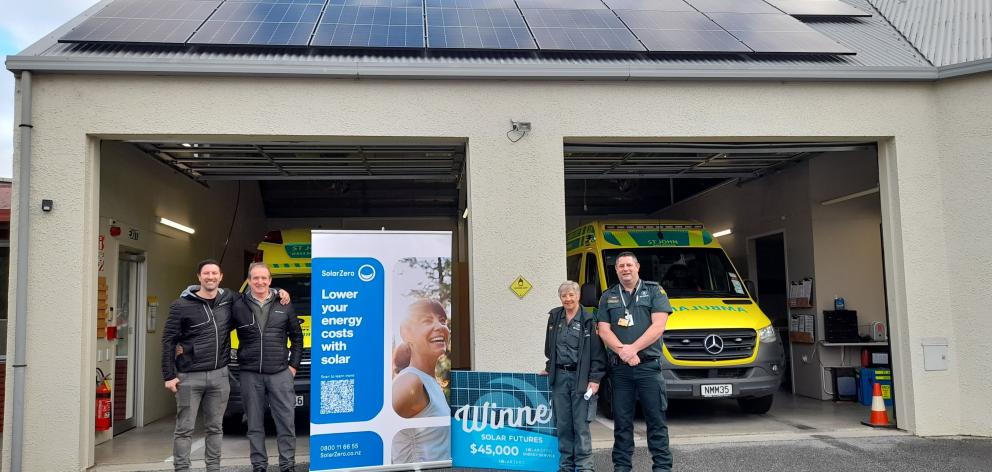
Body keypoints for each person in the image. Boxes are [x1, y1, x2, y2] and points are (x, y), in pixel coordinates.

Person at [161, 259, 288, 472]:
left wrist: (278, 292)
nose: (210, 277)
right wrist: (169, 375)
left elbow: (256, 292)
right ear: (199, 277)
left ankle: (214, 468)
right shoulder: (180, 306)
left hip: (220, 375)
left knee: (215, 428)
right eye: (206, 274)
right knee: (185, 429)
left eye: (214, 274)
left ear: (220, 277)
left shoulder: (229, 298)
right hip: (189, 376)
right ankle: (181, 468)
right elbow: (168, 341)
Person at [596, 252, 674, 472]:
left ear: (637, 267)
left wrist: (633, 349)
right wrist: (623, 352)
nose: (625, 269)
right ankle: (621, 468)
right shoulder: (608, 296)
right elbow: (603, 329)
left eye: (629, 264)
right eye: (621, 266)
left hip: (648, 367)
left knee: (656, 422)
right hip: (620, 371)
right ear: (616, 270)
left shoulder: (654, 291)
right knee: (621, 424)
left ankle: (662, 468)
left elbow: (658, 326)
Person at [231, 262, 304, 472]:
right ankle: (259, 465)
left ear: (270, 281)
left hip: (280, 372)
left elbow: (296, 337)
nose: (260, 282)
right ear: (249, 281)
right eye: (255, 278)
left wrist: (293, 367)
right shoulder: (238, 305)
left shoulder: (284, 303)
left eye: (264, 278)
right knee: (254, 425)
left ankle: (287, 465)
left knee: (286, 423)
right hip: (250, 374)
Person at [540, 281, 606, 472]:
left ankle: (585, 467)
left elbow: (598, 353)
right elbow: (549, 348)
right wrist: (548, 367)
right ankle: (566, 465)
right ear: (560, 298)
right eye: (564, 296)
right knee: (563, 424)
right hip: (560, 377)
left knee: (581, 424)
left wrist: (595, 379)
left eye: (571, 295)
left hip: (581, 377)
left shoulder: (588, 318)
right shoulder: (555, 317)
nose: (568, 299)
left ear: (578, 296)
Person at [391, 299, 451, 463]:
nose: (440, 326)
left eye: (442, 320)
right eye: (427, 321)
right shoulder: (410, 381)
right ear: (406, 334)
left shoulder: (430, 382)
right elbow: (375, 433)